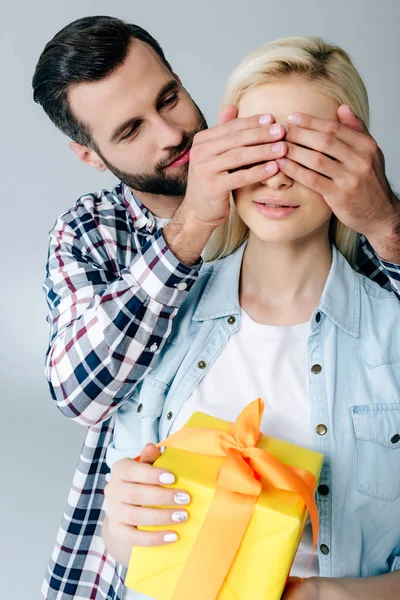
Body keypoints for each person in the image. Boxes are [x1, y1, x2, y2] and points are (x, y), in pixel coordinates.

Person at [32, 16, 400, 600]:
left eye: (169, 98)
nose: (171, 135)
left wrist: (384, 219)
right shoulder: (97, 236)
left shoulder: (374, 298)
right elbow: (82, 395)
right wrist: (194, 222)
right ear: (91, 154)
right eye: (130, 130)